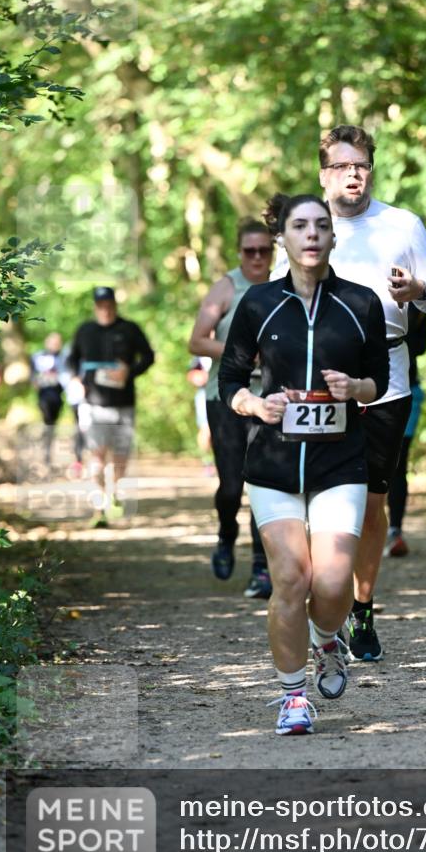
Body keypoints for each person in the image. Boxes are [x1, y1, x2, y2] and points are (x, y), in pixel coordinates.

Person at [273, 125, 426, 661]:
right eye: (343, 166)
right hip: (317, 383)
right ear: (323, 174)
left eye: (362, 165)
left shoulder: (402, 224)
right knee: (313, 496)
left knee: (373, 505)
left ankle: (361, 608)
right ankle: (316, 592)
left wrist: (418, 291)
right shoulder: (305, 226)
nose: (354, 173)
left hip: (388, 378)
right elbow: (276, 300)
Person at [219, 193, 389, 734]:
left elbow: (378, 381)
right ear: (282, 240)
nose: (312, 234)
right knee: (291, 577)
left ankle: (327, 640)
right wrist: (254, 404)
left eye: (321, 226)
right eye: (300, 226)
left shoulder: (362, 303)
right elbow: (229, 381)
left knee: (334, 582)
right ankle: (293, 697)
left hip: (340, 463)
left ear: (333, 238)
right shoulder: (257, 304)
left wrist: (354, 387)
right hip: (273, 464)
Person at [188, 219, 273, 599]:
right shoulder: (227, 287)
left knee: (263, 484)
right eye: (249, 251)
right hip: (224, 397)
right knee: (232, 485)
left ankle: (261, 566)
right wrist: (241, 354)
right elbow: (196, 342)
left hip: (269, 399)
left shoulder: (283, 285)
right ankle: (226, 535)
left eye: (264, 250)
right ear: (240, 252)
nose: (257, 257)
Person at [67, 286, 155, 528]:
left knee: (119, 457)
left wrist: (129, 372)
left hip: (123, 403)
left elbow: (148, 356)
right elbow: (72, 359)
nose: (105, 309)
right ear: (96, 306)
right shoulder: (85, 330)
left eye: (109, 304)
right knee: (96, 455)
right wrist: (76, 379)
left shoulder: (129, 329)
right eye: (101, 305)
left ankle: (114, 491)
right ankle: (100, 505)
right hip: (93, 404)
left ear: (115, 305)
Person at [385, 304, 426, 557]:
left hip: (407, 389)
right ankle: (392, 530)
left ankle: (394, 531)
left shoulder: (418, 304)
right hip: (366, 391)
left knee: (397, 463)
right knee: (396, 464)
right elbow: (421, 347)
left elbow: (420, 347)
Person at [30, 332, 64, 467]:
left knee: (52, 424)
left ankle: (47, 451)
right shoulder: (38, 356)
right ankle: (45, 452)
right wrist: (36, 382)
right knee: (47, 421)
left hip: (57, 397)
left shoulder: (64, 358)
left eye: (57, 342)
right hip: (44, 396)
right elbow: (32, 375)